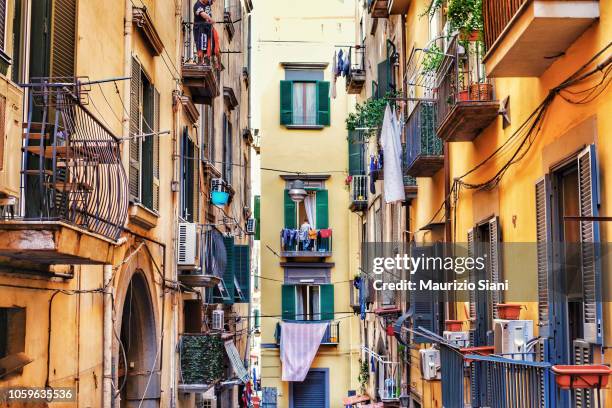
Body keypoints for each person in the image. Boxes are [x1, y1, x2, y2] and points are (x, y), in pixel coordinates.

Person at [193, 0, 214, 65]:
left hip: (207, 29)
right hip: (199, 28)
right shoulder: (197, 5)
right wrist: (210, 19)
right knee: (200, 45)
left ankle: (206, 59)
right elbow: (202, 14)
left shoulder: (207, 2)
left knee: (207, 44)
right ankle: (200, 60)